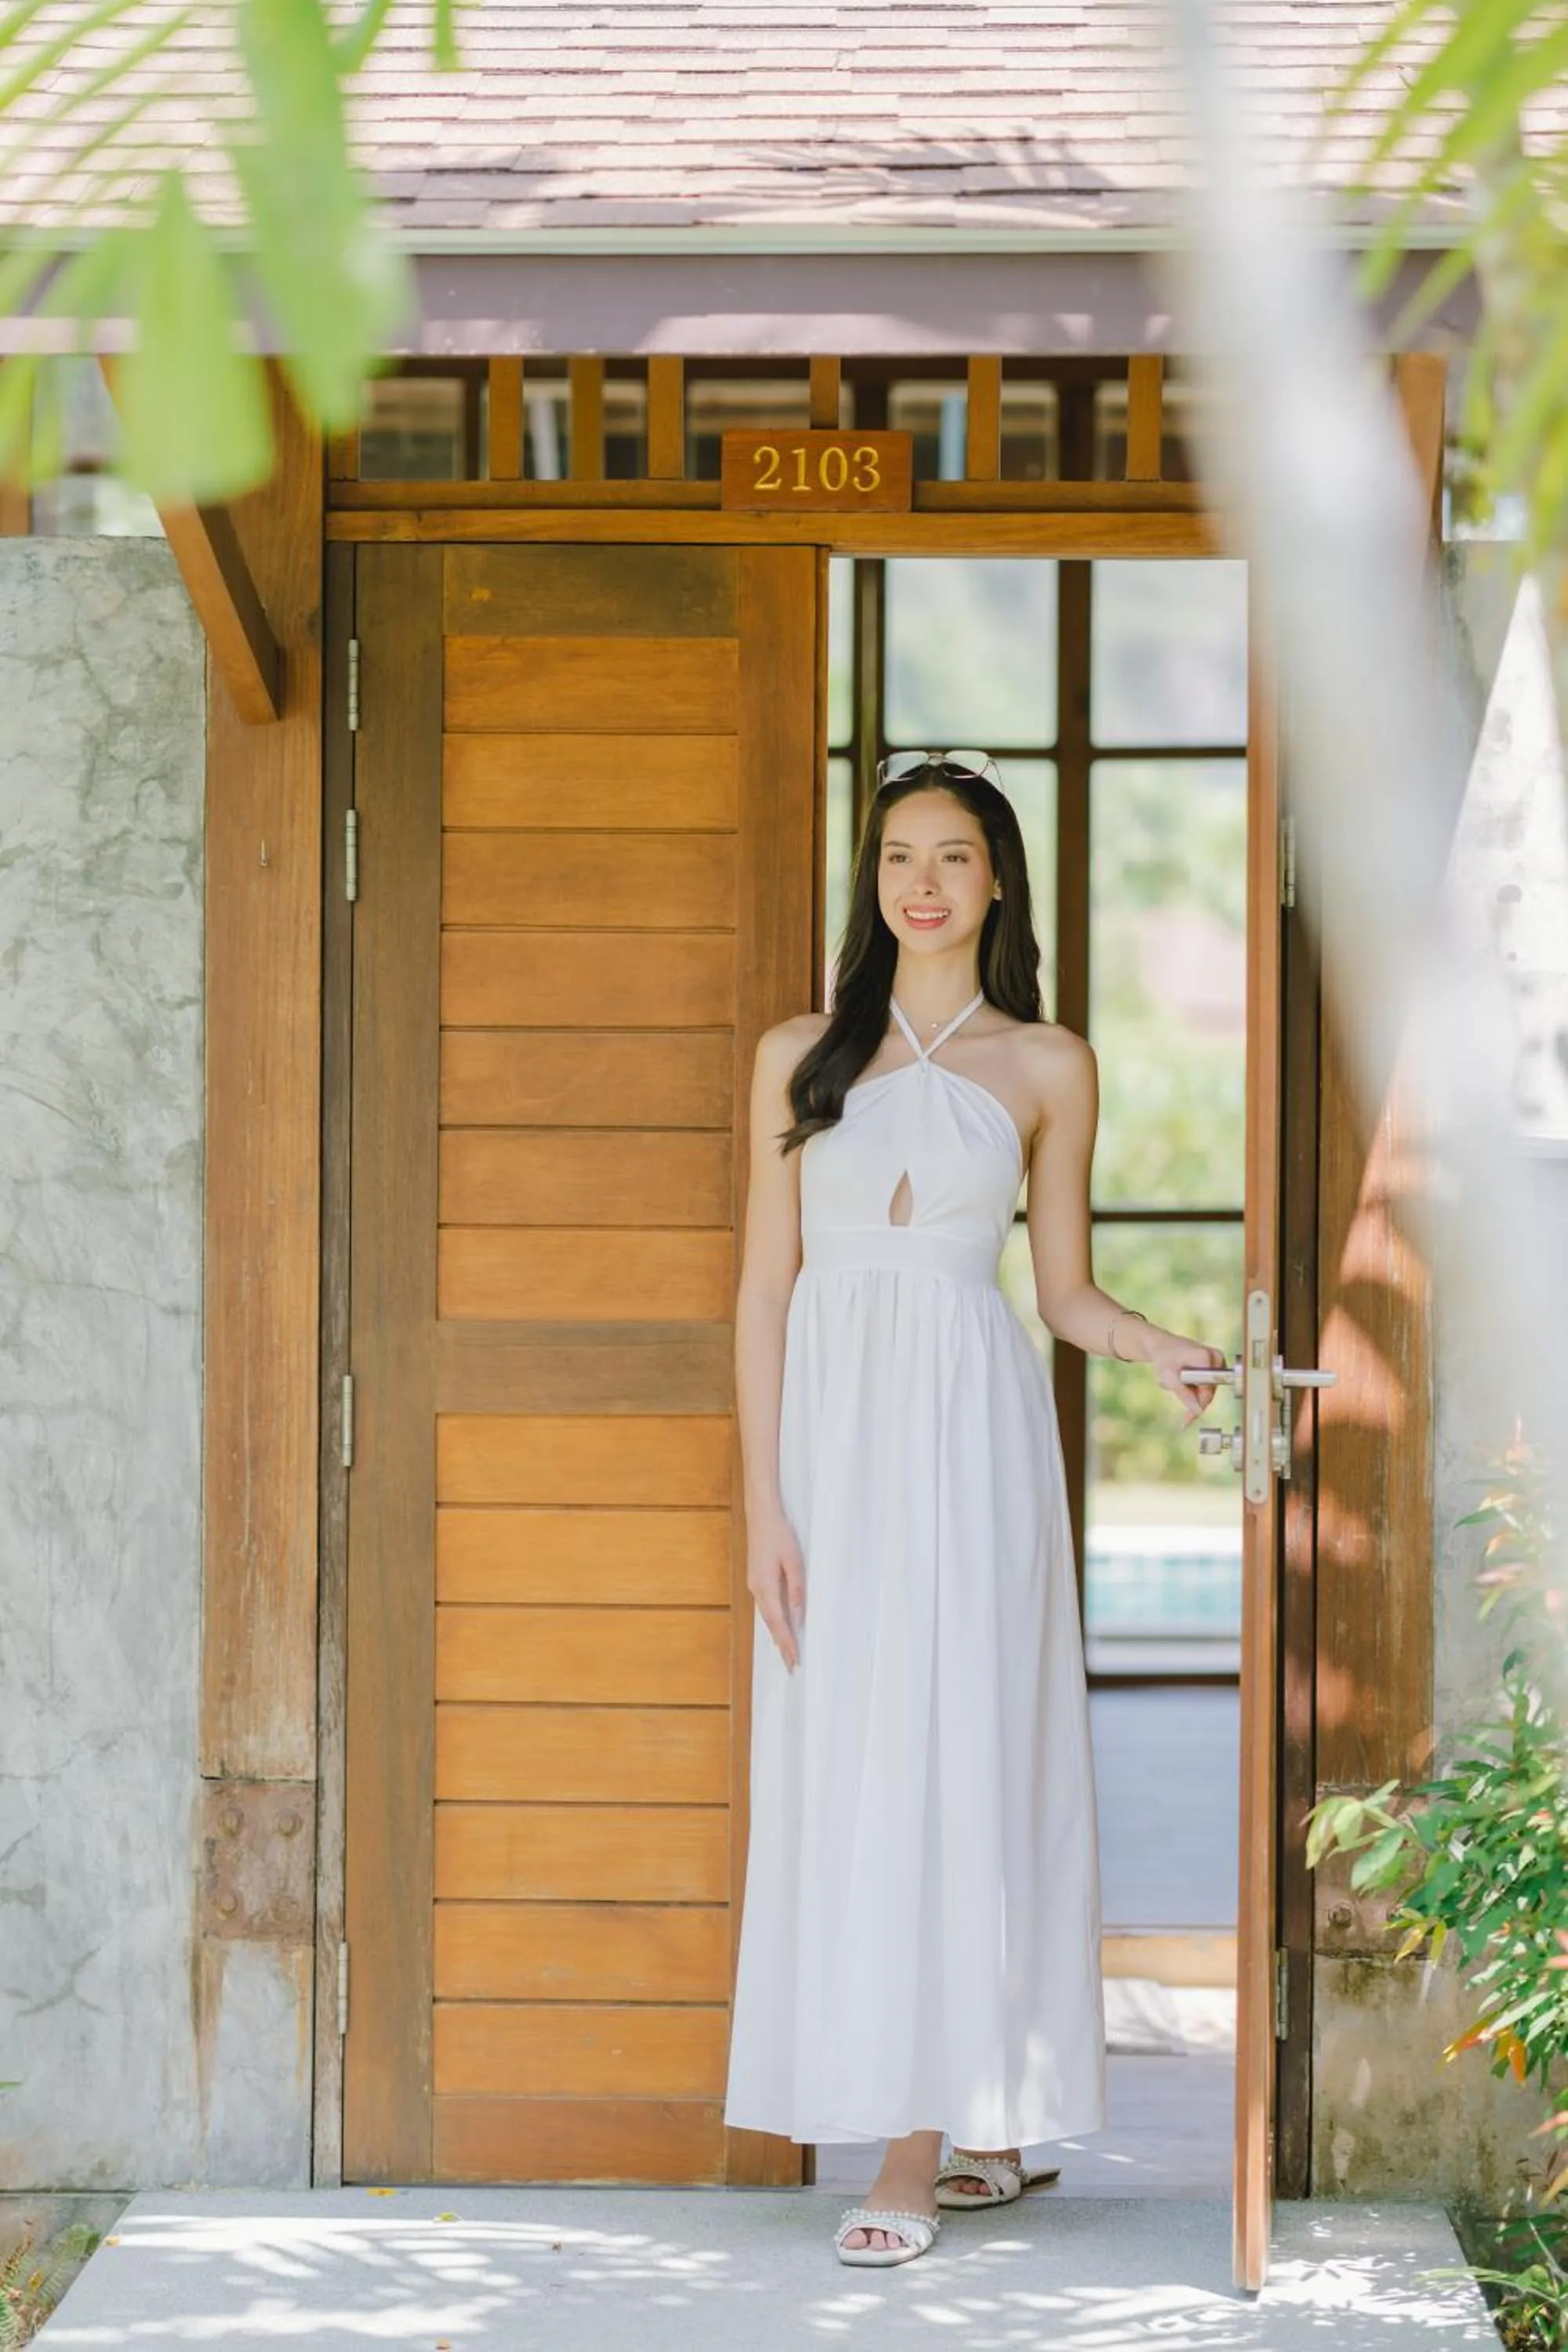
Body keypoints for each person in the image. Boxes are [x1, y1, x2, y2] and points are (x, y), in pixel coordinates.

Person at [720, 751, 1227, 2267]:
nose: (921, 883)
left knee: (967, 1757)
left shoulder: (1047, 1063)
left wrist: (1168, 1350)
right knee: (858, 1765)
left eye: (952, 856)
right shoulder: (798, 1053)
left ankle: (921, 2147)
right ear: (871, 879)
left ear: (997, 879)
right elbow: (760, 1291)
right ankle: (959, 2111)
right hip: (831, 1442)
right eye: (895, 857)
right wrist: (766, 1508)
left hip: (970, 1439)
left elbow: (1058, 1291)